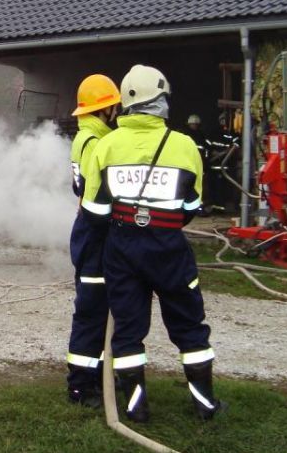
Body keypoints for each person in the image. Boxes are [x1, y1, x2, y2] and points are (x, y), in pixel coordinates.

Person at [81, 64, 223, 422]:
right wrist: (163, 221)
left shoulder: (106, 146)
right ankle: (205, 404)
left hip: (122, 250)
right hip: (170, 249)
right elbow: (192, 207)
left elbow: (94, 211)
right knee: (190, 326)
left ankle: (135, 407)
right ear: (161, 101)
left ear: (126, 105)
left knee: (128, 329)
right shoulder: (185, 146)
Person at [65, 74, 121, 407]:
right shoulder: (94, 143)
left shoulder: (90, 137)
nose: (117, 113)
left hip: (96, 234)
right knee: (90, 312)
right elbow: (91, 193)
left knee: (102, 311)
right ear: (105, 111)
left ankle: (99, 378)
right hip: (94, 234)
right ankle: (80, 386)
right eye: (113, 108)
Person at [204, 112, 240, 214]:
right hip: (214, 168)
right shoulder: (213, 133)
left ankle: (222, 208)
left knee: (224, 190)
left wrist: (227, 152)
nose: (224, 123)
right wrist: (210, 156)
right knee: (213, 189)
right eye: (222, 120)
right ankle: (215, 208)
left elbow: (237, 145)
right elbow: (207, 147)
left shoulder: (232, 134)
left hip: (226, 168)